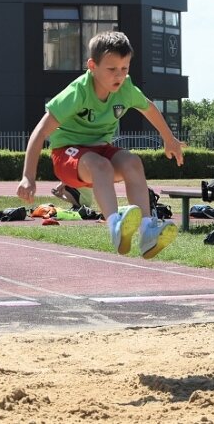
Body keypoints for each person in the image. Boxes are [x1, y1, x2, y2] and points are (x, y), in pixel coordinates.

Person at [16, 31, 184, 259]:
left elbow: (149, 108)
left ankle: (147, 231)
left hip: (101, 149)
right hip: (67, 154)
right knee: (101, 165)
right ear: (92, 66)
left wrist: (170, 139)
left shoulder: (125, 89)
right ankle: (115, 225)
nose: (119, 76)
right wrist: (28, 177)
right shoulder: (78, 92)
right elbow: (39, 132)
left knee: (133, 162)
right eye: (112, 69)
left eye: (124, 69)